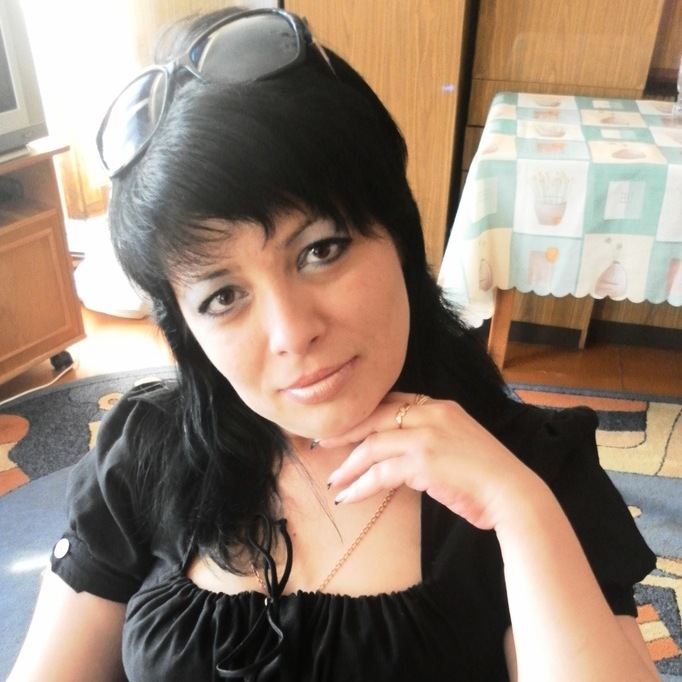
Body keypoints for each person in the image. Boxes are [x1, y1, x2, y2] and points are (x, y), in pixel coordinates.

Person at [9, 7, 659, 682]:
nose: (293, 333)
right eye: (223, 296)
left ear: (398, 233)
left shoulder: (533, 470)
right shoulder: (145, 451)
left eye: (320, 250)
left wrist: (517, 510)